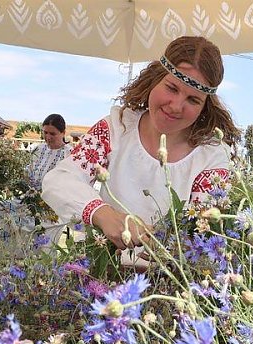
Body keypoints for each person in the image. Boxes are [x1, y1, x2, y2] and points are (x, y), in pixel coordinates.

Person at [42, 36, 240, 250]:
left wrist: (171, 250)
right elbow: (59, 180)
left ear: (205, 106)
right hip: (105, 266)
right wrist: (103, 214)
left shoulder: (210, 155)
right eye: (172, 88)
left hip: (169, 278)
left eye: (193, 100)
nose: (176, 106)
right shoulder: (117, 128)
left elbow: (202, 230)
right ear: (155, 79)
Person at [26, 114, 72, 193]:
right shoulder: (38, 149)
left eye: (52, 134)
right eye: (45, 132)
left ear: (63, 133)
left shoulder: (70, 154)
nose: (48, 137)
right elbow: (29, 171)